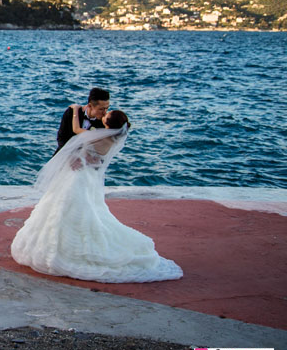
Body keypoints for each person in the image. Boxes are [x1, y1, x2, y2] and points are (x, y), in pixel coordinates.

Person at [11, 110, 183, 283]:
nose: (104, 114)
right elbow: (97, 159)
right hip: (89, 177)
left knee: (67, 207)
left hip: (78, 176)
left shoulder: (97, 136)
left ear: (108, 123)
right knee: (81, 209)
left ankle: (60, 250)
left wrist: (76, 111)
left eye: (107, 115)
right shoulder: (111, 139)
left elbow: (77, 132)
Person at [55, 88, 109, 154]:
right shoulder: (71, 112)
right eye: (101, 109)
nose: (105, 113)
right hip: (64, 154)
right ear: (90, 106)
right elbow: (61, 137)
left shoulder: (104, 123)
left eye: (107, 108)